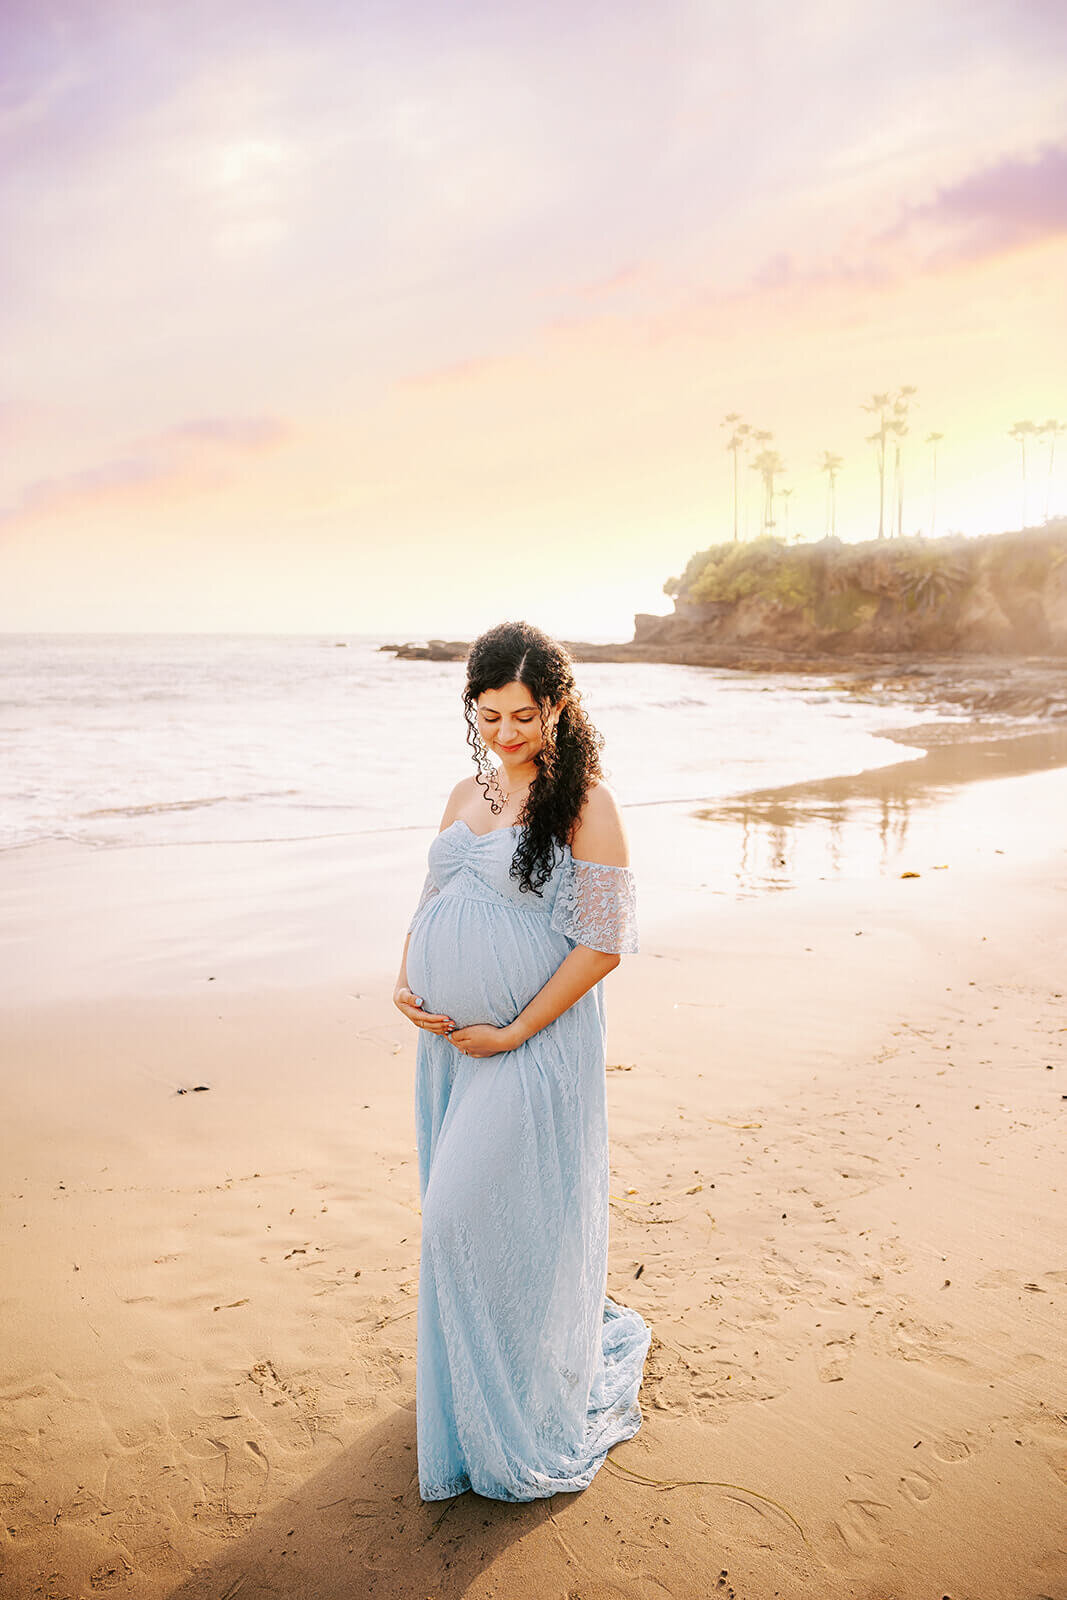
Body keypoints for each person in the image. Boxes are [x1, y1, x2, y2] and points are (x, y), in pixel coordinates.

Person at [393, 619, 651, 1503]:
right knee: (481, 1216)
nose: (506, 733)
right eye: (490, 713)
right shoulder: (465, 789)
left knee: (458, 1219)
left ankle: (522, 1401)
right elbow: (436, 892)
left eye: (524, 716)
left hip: (529, 1044)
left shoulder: (586, 803)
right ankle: (473, 1393)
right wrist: (405, 977)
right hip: (449, 1048)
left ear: (558, 709)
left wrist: (511, 1032)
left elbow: (603, 945)